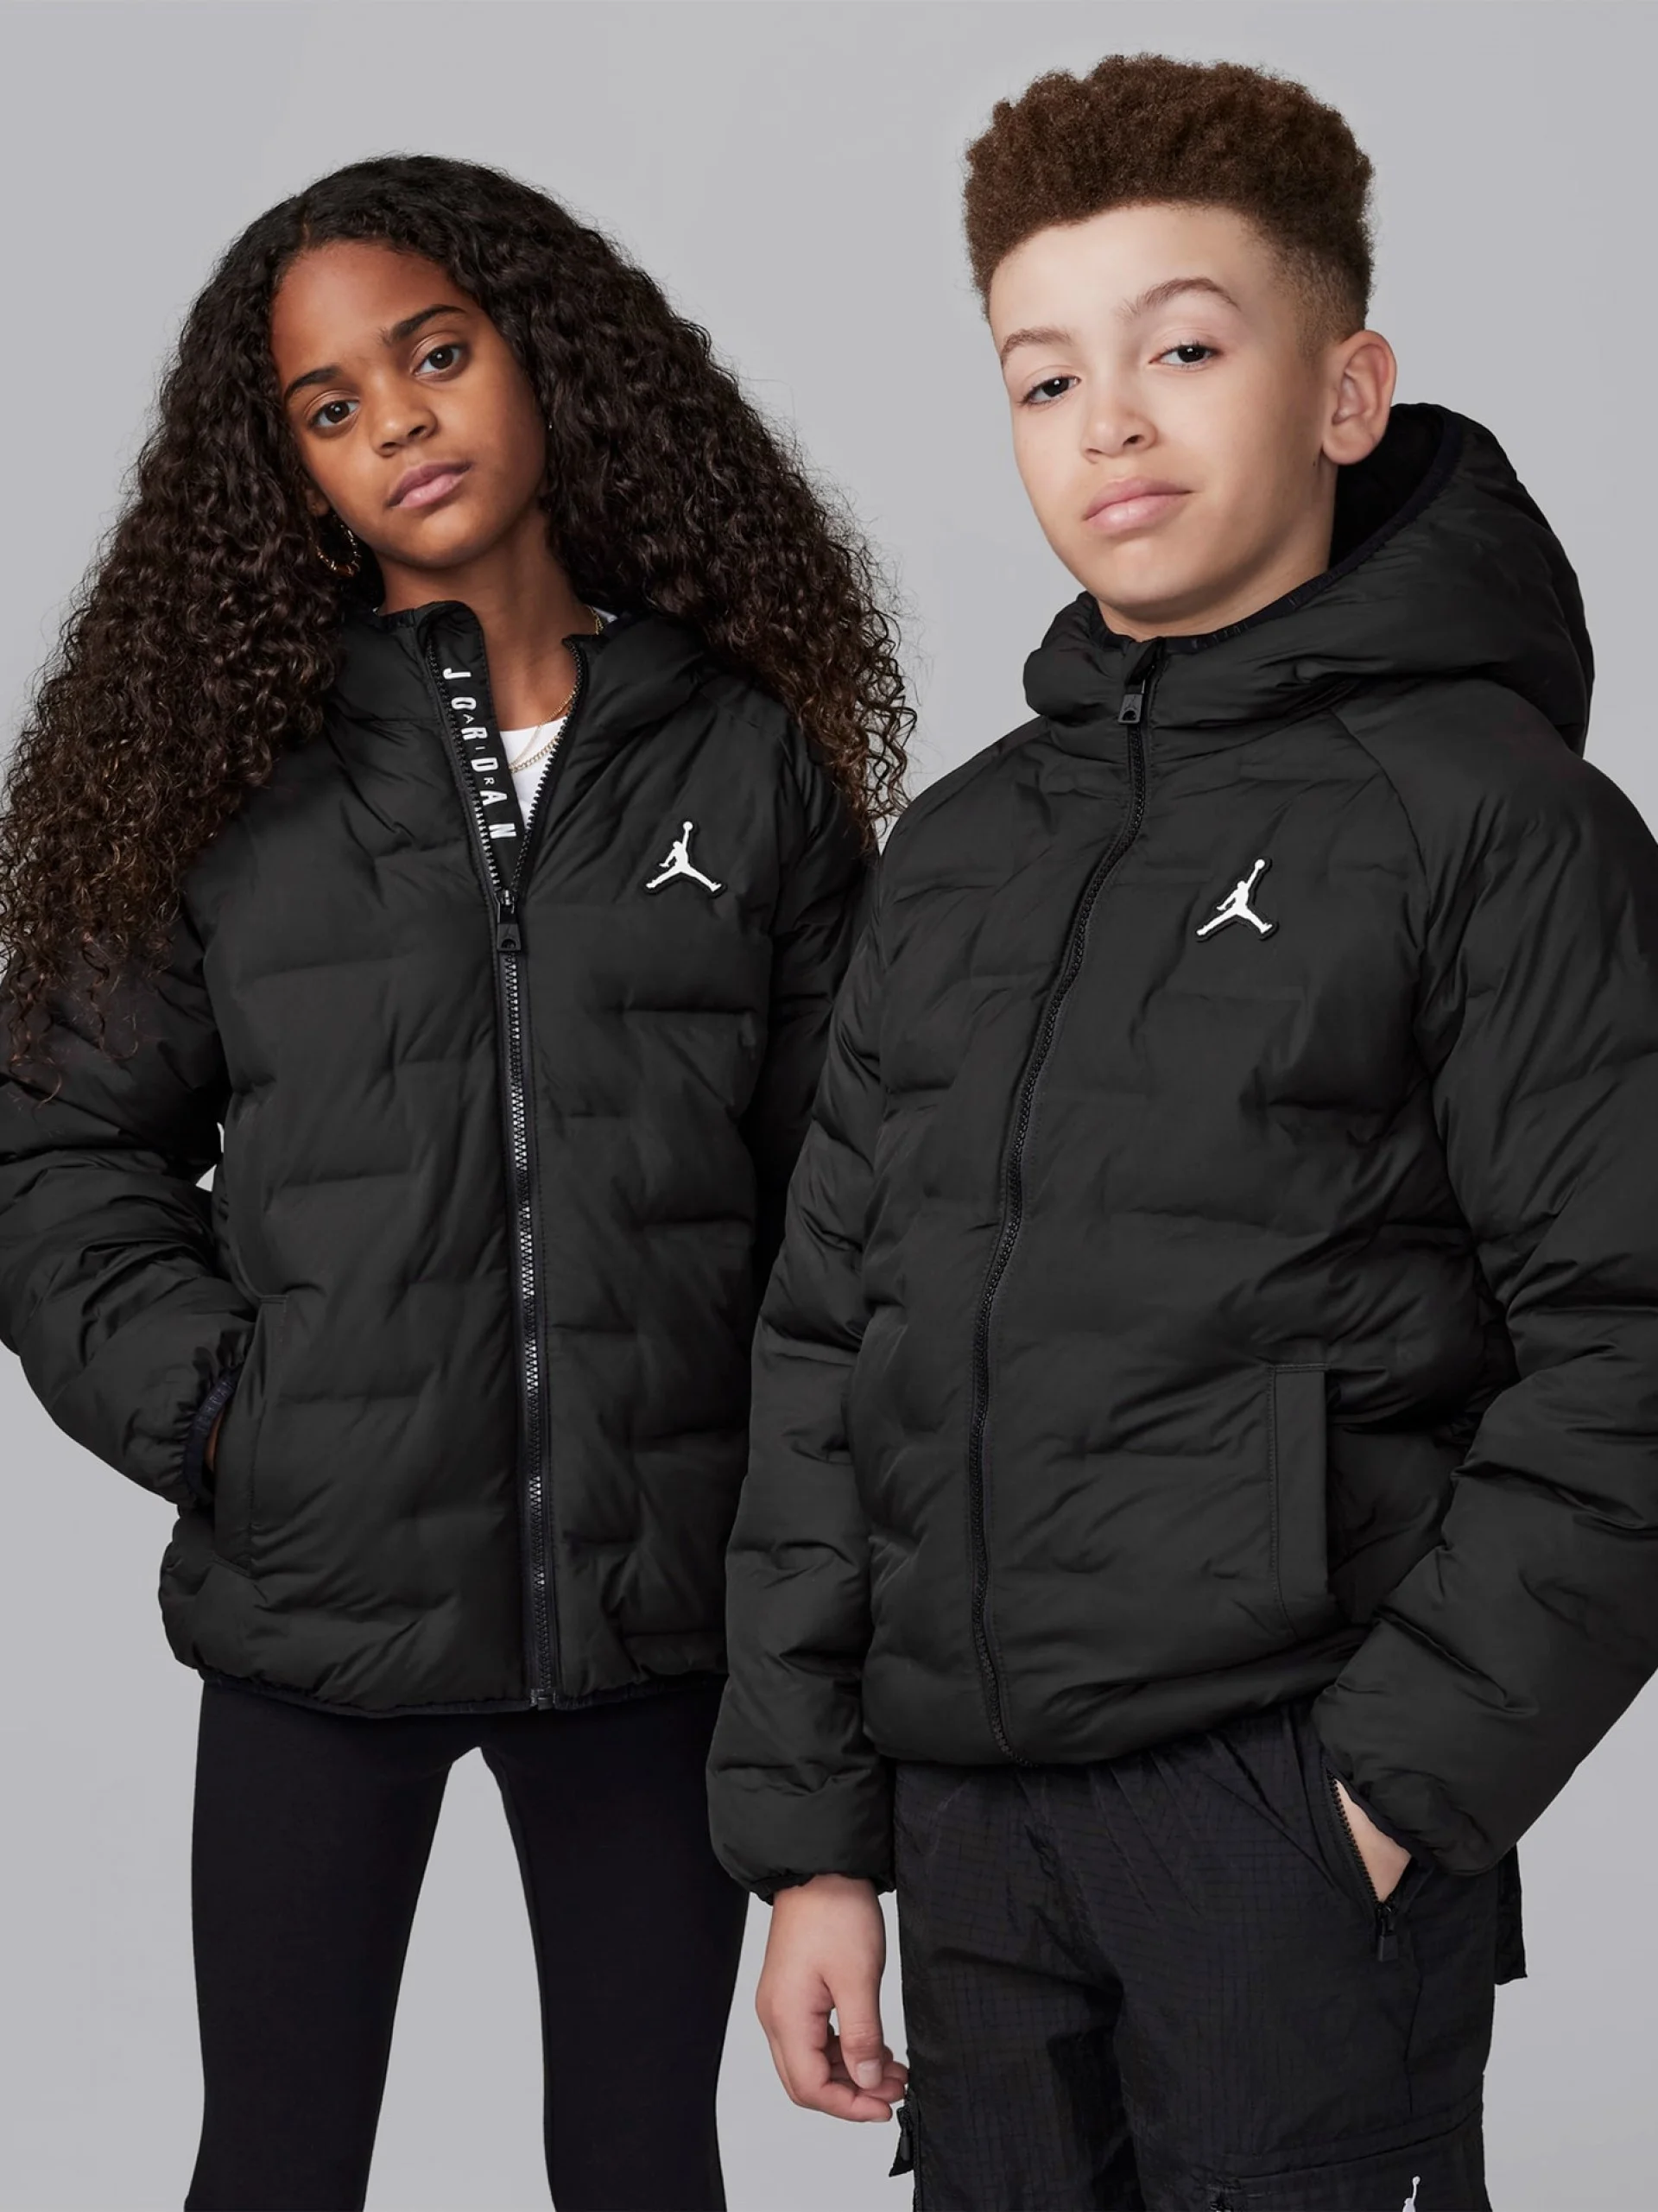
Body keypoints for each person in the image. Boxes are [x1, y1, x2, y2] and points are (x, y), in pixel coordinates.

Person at [709, 53, 1658, 2212]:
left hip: (1286, 1815)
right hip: (969, 1837)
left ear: (1346, 390)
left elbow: (1633, 1340)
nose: (1110, 422)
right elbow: (830, 1346)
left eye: (1185, 349)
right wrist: (817, 1844)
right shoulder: (959, 855)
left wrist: (1385, 1791)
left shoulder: (1495, 822)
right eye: (1046, 377)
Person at [0, 155, 908, 2212]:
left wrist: (801, 1546)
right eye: (331, 405)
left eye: (434, 353)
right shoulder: (230, 774)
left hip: (659, 1617)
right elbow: (51, 1139)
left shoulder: (740, 757)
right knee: (279, 2162)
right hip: (323, 1606)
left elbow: (847, 1204)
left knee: (641, 2163)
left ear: (544, 353)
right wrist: (227, 1413)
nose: (397, 421)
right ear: (291, 470)